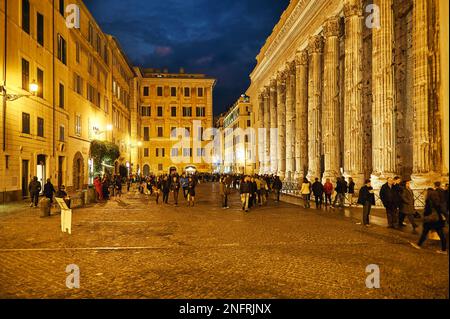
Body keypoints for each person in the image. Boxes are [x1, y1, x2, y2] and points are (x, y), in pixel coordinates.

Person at [410, 189, 447, 254]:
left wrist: (424, 217)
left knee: (425, 232)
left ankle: (418, 245)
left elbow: (427, 212)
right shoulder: (437, 201)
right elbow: (440, 210)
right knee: (441, 234)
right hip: (437, 220)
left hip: (430, 220)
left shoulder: (428, 201)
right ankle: (444, 250)